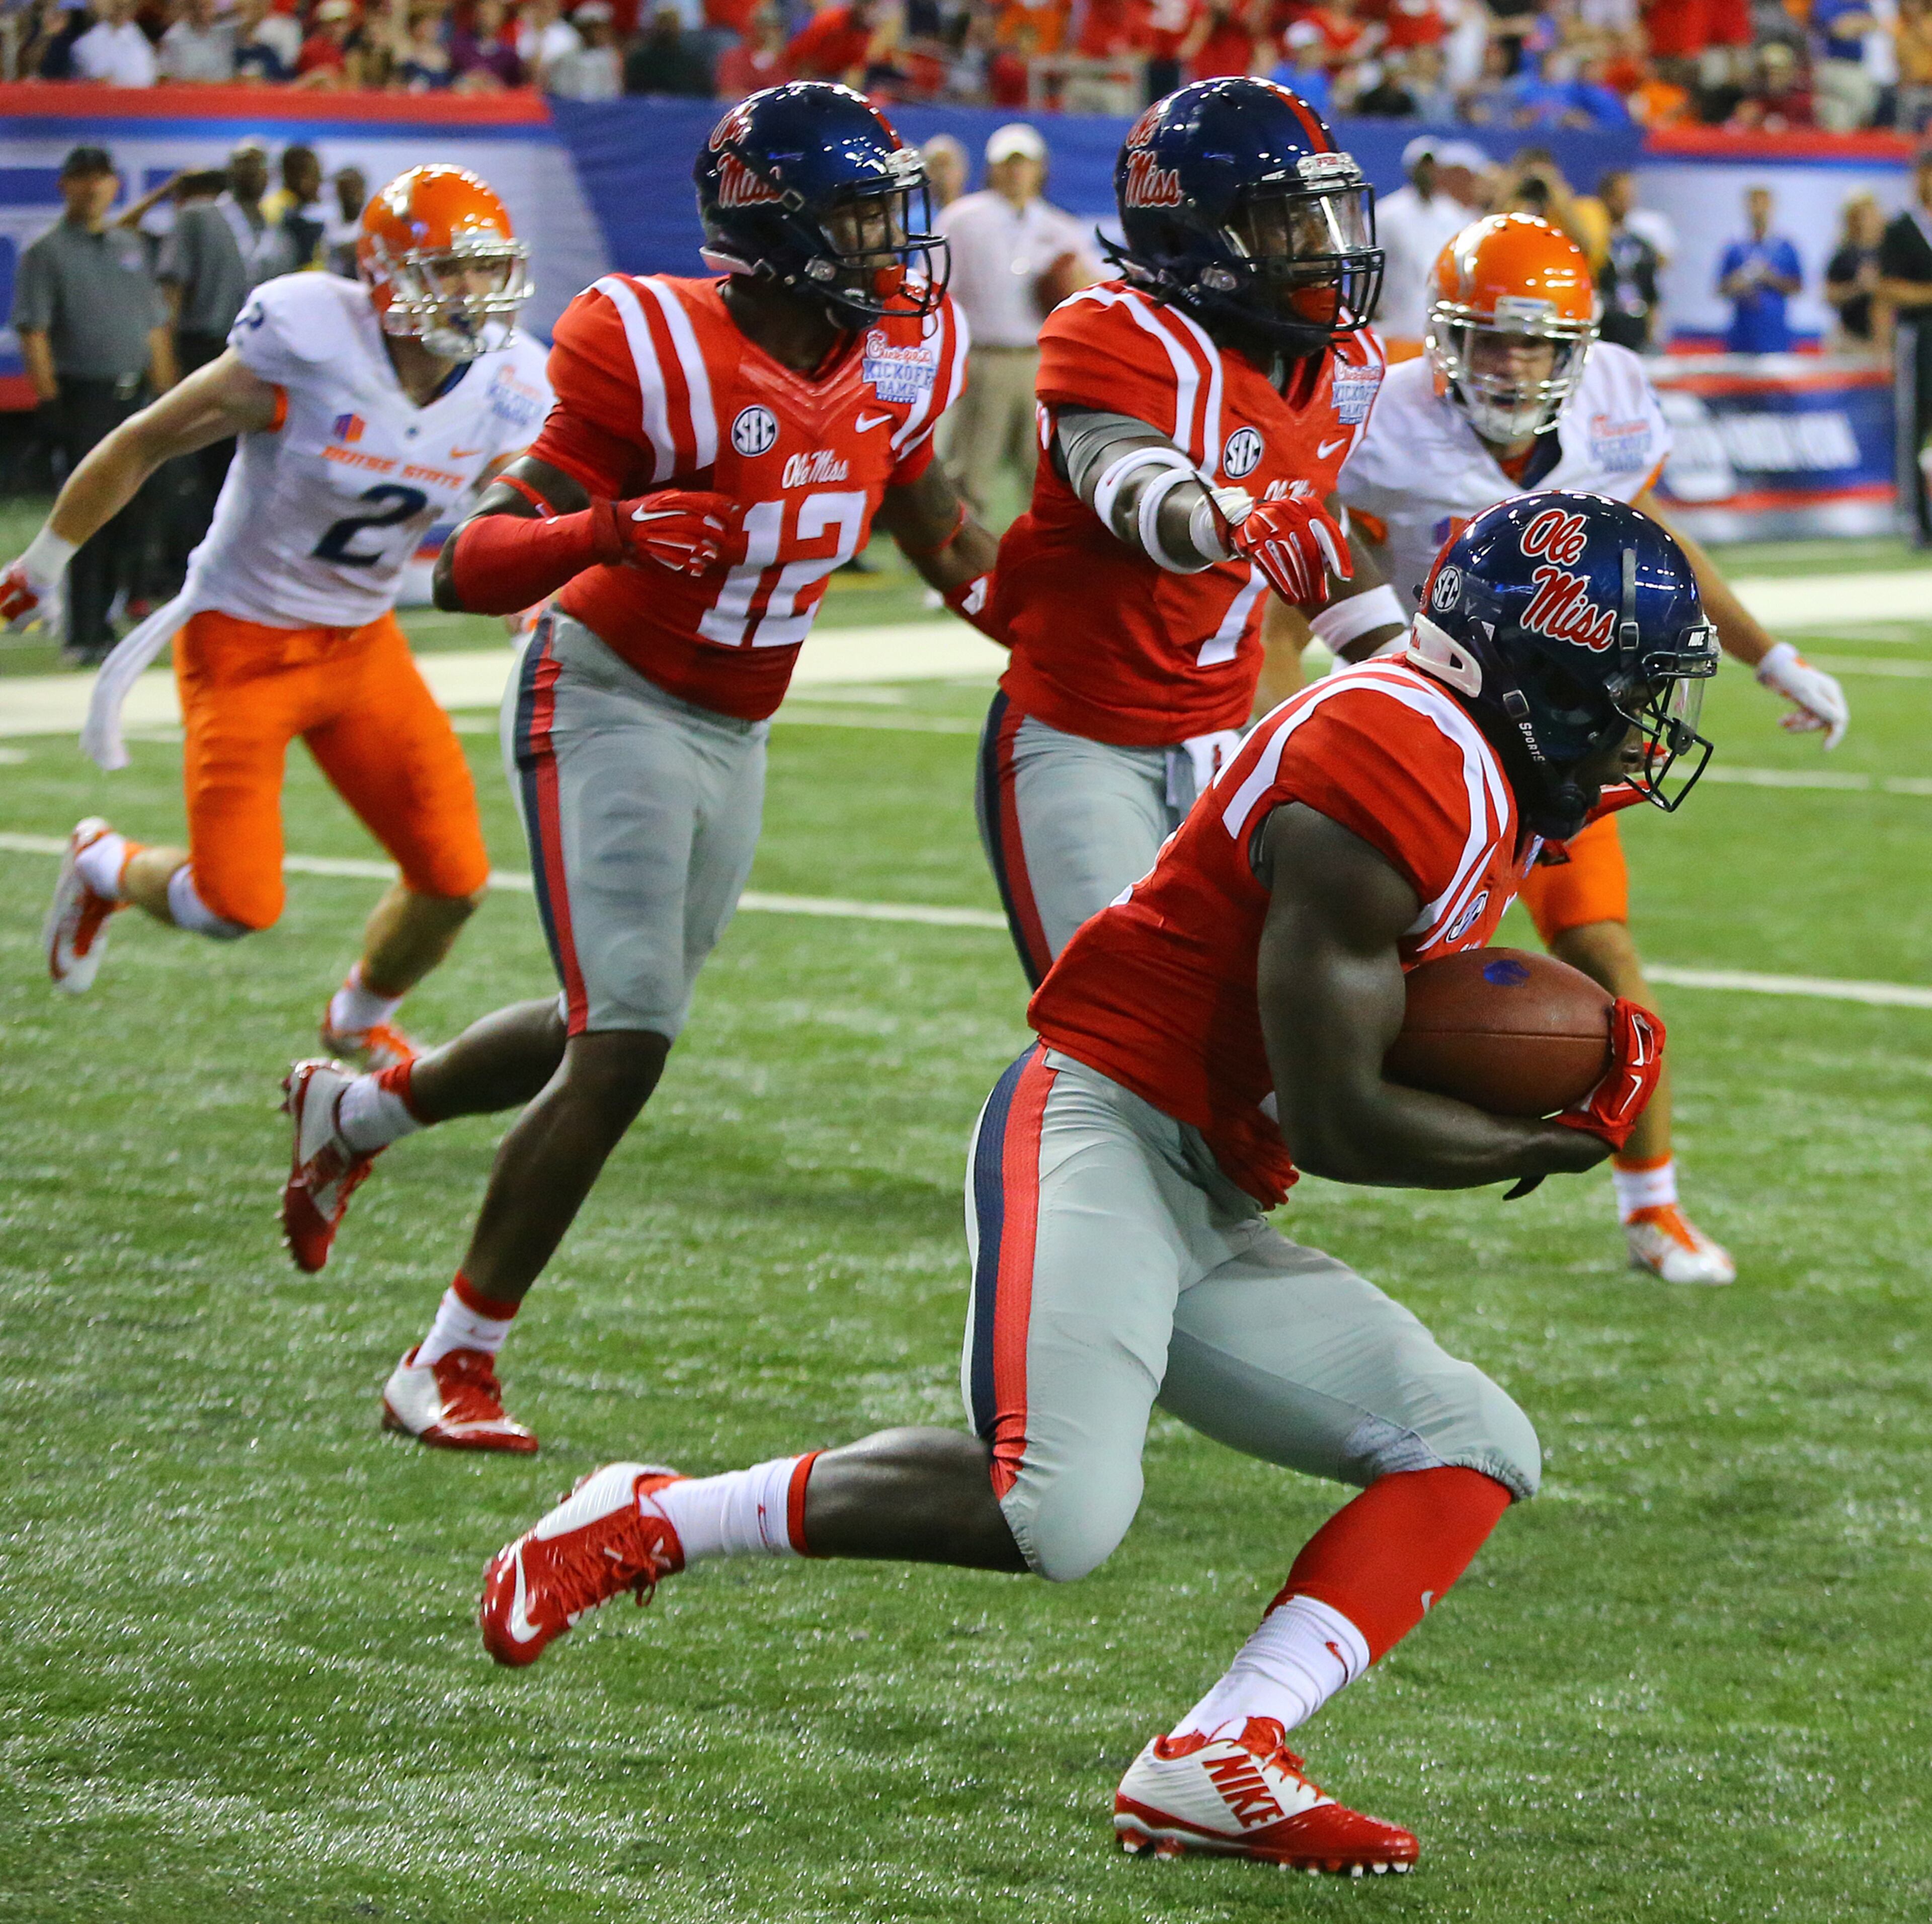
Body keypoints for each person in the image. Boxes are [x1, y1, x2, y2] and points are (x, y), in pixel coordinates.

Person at [473, 487, 1716, 1876]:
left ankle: (1220, 1751)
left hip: (1211, 1181)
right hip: (1105, 1125)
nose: (1636, 733)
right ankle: (650, 1517)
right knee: (1052, 1513)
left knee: (1477, 1443)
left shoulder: (1444, 748)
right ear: (1541, 677)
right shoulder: (1391, 768)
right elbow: (1345, 1117)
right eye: (1624, 696)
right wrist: (1549, 1134)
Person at [277, 85, 999, 1451]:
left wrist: (1043, 632)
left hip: (739, 723)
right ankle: (449, 1360)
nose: (890, 243)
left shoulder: (903, 347)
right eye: (856, 215)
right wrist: (607, 527)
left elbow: (939, 527)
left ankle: (360, 1111)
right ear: (773, 228)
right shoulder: (649, 339)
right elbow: (466, 562)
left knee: (597, 1013)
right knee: (630, 1036)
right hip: (605, 696)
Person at [1334, 213, 1850, 1284]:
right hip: (1421, 731)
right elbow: (1314, 550)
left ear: (1577, 346)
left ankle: (1652, 1208)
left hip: (1552, 746)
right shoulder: (1380, 415)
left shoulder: (1614, 396)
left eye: (1536, 341)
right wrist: (1311, 685)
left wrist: (1770, 654)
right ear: (1445, 339)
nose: (1513, 361)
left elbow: (1651, 542)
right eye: (1490, 338)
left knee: (1609, 966)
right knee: (1346, 966)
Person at [5, 166, 551, 1074]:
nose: (473, 291)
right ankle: (104, 864)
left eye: (486, 269)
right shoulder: (308, 341)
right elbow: (143, 440)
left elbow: (511, 519)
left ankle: (356, 1017)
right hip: (243, 640)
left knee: (455, 880)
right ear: (386, 272)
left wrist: (530, 611)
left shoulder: (510, 380)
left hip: (362, 644)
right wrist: (44, 563)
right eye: (449, 268)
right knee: (233, 905)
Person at [976, 78, 1404, 990]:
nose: (1326, 249)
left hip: (1220, 736)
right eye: (1292, 221)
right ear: (1201, 233)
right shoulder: (1116, 334)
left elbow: (1313, 520)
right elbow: (1141, 497)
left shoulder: (1342, 357)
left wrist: (1412, 681)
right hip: (1080, 736)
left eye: (1330, 216)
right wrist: (1232, 514)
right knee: (1111, 1026)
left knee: (1241, 1040)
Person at [8, 147, 176, 664]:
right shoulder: (46, 251)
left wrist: (171, 397)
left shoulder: (129, 246)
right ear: (65, 186)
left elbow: (154, 328)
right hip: (84, 395)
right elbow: (34, 329)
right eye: (81, 178)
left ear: (112, 186)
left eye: (100, 178)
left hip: (138, 397)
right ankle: (82, 631)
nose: (92, 187)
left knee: (136, 515)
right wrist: (50, 400)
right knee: (87, 513)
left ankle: (112, 621)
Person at [936, 122, 1096, 522]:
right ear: (991, 168)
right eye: (1007, 164)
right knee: (968, 473)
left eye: (1023, 164)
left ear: (1040, 168)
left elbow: (1095, 289)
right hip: (983, 356)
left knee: (1045, 474)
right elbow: (937, 291)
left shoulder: (1062, 227)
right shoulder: (963, 220)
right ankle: (959, 579)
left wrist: (1076, 284)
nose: (1016, 172)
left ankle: (1043, 570)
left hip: (1039, 361)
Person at [160, 140, 295, 530]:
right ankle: (183, 553)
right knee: (198, 458)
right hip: (205, 346)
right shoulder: (199, 217)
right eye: (242, 164)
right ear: (229, 173)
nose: (251, 172)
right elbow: (172, 290)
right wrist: (166, 357)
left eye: (258, 165)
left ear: (269, 176)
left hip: (262, 357)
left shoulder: (277, 232)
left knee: (250, 458)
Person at [1372, 134, 1481, 359]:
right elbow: (1370, 267)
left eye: (1433, 166)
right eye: (1423, 166)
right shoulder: (1387, 213)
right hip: (1397, 330)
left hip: (1438, 333)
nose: (1428, 173)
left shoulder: (1454, 214)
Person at [1718, 187, 1802, 355]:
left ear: (1771, 207)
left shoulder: (1785, 248)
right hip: (1742, 336)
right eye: (1754, 204)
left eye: (1763, 204)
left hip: (1775, 337)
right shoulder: (1735, 248)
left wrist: (1770, 278)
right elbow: (1721, 289)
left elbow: (1798, 287)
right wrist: (1741, 281)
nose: (1758, 210)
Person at [1592, 168, 1661, 352]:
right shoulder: (1592, 243)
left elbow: (1651, 293)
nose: (1626, 201)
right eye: (1620, 195)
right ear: (1605, 196)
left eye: (1629, 195)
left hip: (1634, 328)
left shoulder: (1642, 245)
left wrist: (1652, 333)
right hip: (1603, 327)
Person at [1825, 190, 1885, 350]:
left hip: (1884, 337)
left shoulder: (1890, 254)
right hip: (1850, 338)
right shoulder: (1844, 255)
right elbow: (1829, 296)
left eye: (1872, 215)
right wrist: (1858, 287)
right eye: (1862, 216)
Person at [70, 0, 159, 83]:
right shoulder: (89, 41)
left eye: (128, 6)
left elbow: (149, 72)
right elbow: (98, 76)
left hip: (141, 94)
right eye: (119, 5)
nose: (122, 11)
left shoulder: (138, 36)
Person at [158, 0, 238, 80]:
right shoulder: (174, 37)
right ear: (189, 10)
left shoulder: (226, 31)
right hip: (188, 89)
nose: (205, 13)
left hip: (223, 88)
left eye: (208, 7)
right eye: (200, 7)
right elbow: (164, 74)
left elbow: (247, 13)